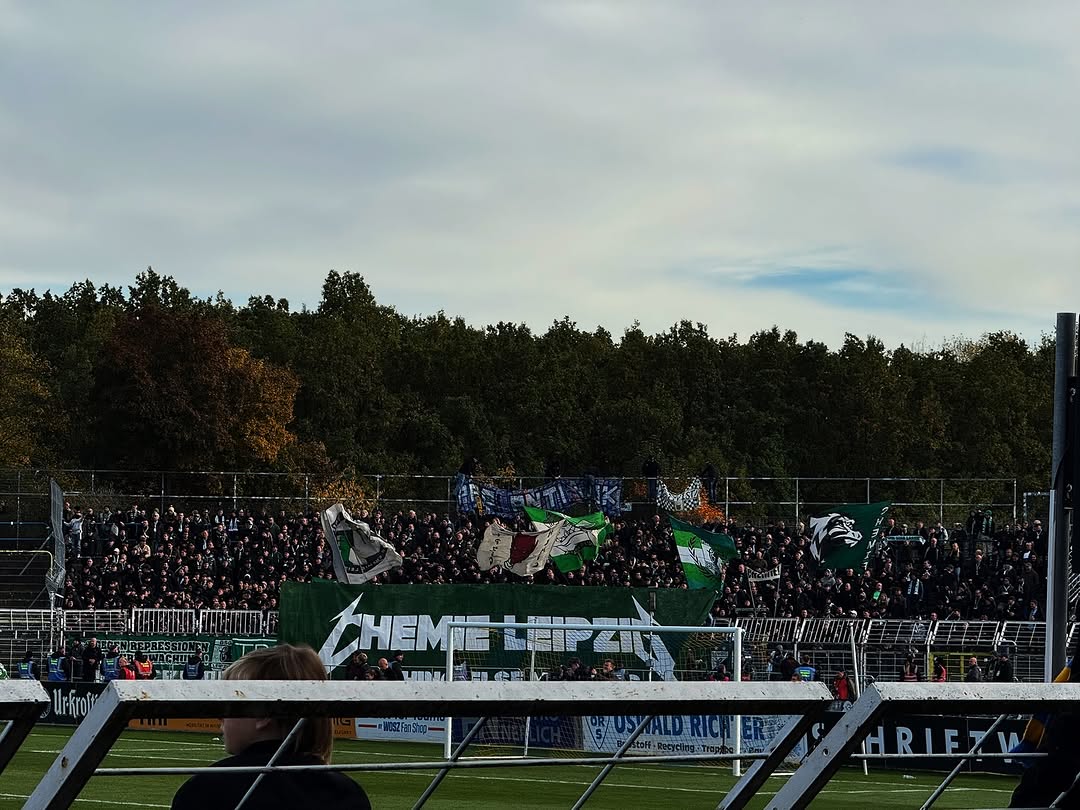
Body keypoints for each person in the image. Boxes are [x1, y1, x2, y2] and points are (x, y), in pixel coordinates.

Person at [171, 644, 371, 810]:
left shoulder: (207, 789)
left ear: (263, 714)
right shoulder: (348, 792)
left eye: (231, 702)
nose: (220, 717)